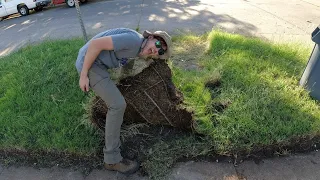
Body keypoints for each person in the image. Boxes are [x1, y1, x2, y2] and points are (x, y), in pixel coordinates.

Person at [75, 28, 172, 175]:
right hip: (89, 64)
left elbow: (127, 63)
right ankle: (112, 160)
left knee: (118, 100)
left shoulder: (139, 49)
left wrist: (124, 80)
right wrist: (83, 75)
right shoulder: (133, 41)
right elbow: (95, 45)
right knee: (117, 105)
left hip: (97, 63)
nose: (156, 51)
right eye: (158, 45)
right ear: (151, 37)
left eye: (160, 52)